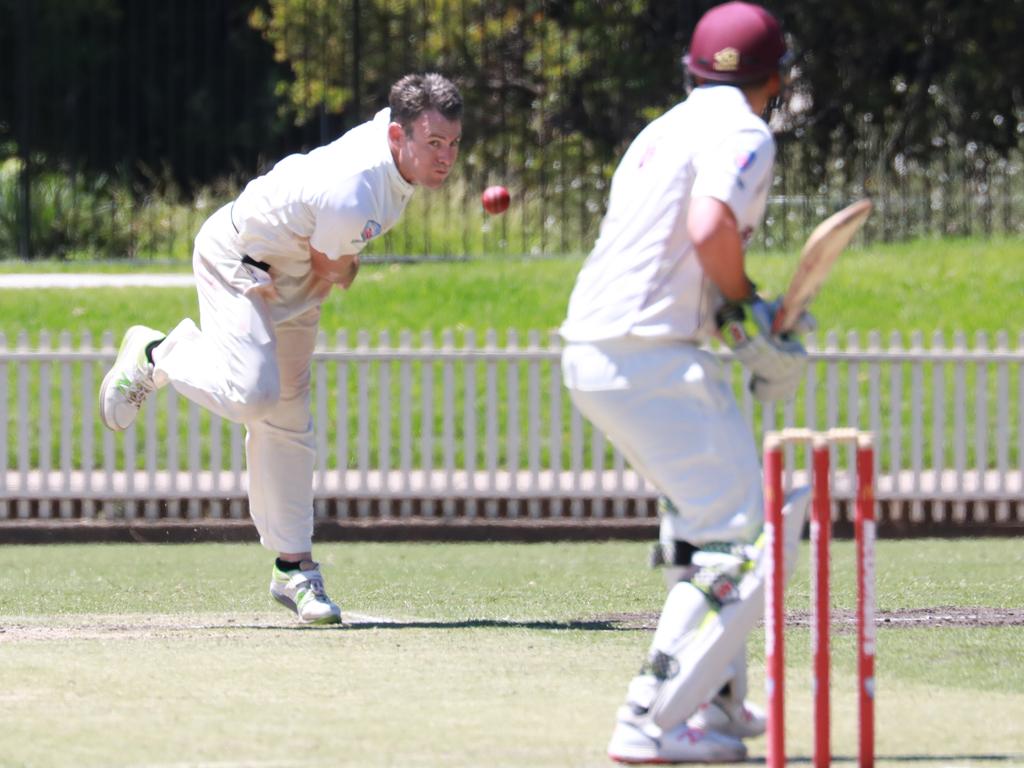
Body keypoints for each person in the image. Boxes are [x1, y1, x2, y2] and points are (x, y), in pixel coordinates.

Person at [99, 73, 463, 626]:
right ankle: (158, 352)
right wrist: (349, 265)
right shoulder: (358, 185)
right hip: (241, 260)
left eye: (454, 144)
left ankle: (295, 569)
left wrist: (342, 258)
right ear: (397, 137)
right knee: (253, 395)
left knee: (289, 421)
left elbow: (328, 255)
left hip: (294, 276)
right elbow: (331, 266)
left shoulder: (392, 162)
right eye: (433, 144)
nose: (445, 158)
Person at [559, 3, 813, 763]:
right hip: (650, 357)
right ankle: (652, 718)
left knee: (705, 529)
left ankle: (718, 707)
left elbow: (674, 253)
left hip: (600, 349)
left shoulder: (661, 129)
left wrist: (741, 319)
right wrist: (751, 316)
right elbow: (708, 232)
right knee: (749, 541)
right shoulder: (743, 129)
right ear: (775, 76)